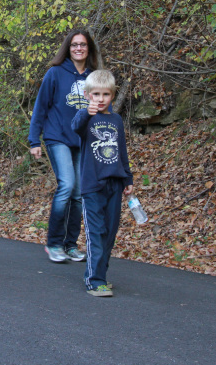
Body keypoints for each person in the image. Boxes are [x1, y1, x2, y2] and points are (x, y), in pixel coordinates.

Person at [28, 29, 102, 263]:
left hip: (82, 139)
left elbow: (100, 109)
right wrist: (34, 140)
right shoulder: (55, 73)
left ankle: (71, 244)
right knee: (66, 185)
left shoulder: (93, 77)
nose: (78, 48)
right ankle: (54, 243)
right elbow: (40, 107)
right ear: (68, 48)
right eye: (74, 45)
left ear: (89, 49)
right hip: (57, 136)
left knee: (79, 194)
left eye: (83, 45)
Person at [71, 70, 133, 297]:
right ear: (87, 95)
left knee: (109, 232)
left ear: (113, 96)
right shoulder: (85, 118)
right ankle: (94, 280)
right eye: (95, 94)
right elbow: (75, 127)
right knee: (95, 232)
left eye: (105, 94)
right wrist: (87, 113)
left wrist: (128, 178)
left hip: (114, 184)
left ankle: (102, 277)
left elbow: (122, 151)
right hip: (92, 186)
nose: (100, 98)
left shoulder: (116, 120)